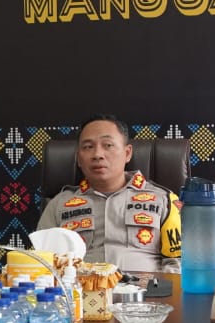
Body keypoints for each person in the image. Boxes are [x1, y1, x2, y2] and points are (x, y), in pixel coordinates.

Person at [36, 114, 181, 272]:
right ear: (78, 158)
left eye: (108, 145)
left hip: (144, 287)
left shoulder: (164, 200)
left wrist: (157, 288)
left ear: (127, 153)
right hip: (78, 286)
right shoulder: (58, 204)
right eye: (88, 147)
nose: (97, 154)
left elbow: (180, 261)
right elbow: (40, 262)